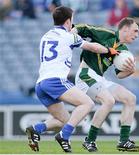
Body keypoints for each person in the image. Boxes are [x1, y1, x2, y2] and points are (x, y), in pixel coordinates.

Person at [25, 6, 118, 153]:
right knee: (87, 103)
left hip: (41, 83)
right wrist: (109, 50)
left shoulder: (46, 36)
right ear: (68, 21)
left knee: (64, 120)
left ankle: (36, 129)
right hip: (55, 81)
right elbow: (92, 47)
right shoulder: (69, 36)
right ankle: (64, 136)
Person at [73, 17, 139, 152]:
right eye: (135, 31)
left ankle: (124, 141)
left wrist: (130, 71)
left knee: (130, 98)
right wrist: (71, 32)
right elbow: (84, 28)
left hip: (99, 78)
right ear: (125, 29)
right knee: (109, 101)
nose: (137, 35)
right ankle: (89, 140)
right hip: (85, 74)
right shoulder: (106, 34)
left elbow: (119, 75)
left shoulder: (123, 50)